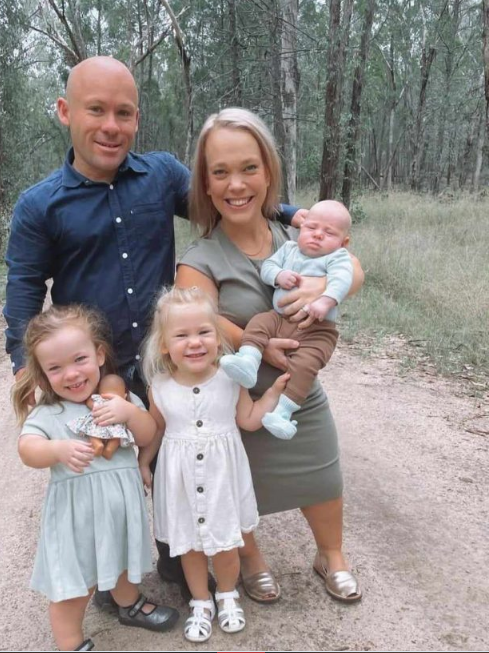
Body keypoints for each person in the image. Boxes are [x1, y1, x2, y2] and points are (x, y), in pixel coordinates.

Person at [3, 56, 305, 603]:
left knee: (181, 454)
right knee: (107, 475)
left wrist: (293, 214)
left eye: (123, 113)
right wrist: (27, 371)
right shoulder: (40, 205)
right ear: (65, 111)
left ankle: (179, 551)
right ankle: (109, 578)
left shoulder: (161, 175)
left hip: (169, 359)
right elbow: (24, 288)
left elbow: (224, 199)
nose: (110, 126)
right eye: (96, 110)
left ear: (137, 118)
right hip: (95, 372)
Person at [176, 107, 364, 604]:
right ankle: (251, 559)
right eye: (220, 172)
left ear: (268, 173)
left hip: (298, 387)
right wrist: (257, 345)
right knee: (234, 481)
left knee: (321, 469)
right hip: (235, 397)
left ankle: (331, 556)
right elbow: (199, 319)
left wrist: (326, 286)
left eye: (249, 168)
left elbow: (350, 264)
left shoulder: (297, 238)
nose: (236, 184)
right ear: (206, 184)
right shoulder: (199, 258)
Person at [12, 304, 179, 652]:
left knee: (122, 561)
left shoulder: (118, 400)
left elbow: (148, 434)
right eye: (55, 368)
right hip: (76, 522)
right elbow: (27, 449)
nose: (71, 374)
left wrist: (129, 412)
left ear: (99, 355)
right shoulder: (50, 413)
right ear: (42, 374)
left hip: (119, 512)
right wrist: (56, 449)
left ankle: (129, 603)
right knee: (74, 587)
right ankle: (71, 643)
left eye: (79, 360)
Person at [138, 287, 290, 643]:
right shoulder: (159, 386)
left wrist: (272, 395)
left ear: (218, 338)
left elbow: (248, 419)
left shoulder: (230, 378)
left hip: (222, 477)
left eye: (204, 332)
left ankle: (227, 594)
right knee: (189, 546)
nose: (195, 342)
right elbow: (157, 428)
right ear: (164, 345)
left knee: (225, 543)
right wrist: (144, 461)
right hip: (179, 480)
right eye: (182, 335)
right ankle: (201, 602)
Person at [220, 200, 353, 440]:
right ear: (301, 228)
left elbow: (342, 279)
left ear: (343, 242)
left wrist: (325, 300)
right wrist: (278, 275)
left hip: (317, 330)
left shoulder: (337, 257)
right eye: (311, 228)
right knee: (258, 323)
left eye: (329, 232)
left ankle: (283, 412)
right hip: (279, 318)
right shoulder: (289, 249)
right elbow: (267, 267)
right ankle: (248, 360)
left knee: (305, 365)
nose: (318, 235)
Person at [68, 374, 135, 459]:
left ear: (99, 392)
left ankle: (97, 444)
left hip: (99, 422)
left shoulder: (98, 399)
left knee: (92, 432)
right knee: (117, 438)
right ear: (125, 396)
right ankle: (110, 449)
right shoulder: (123, 403)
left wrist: (95, 406)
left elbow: (89, 403)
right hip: (116, 426)